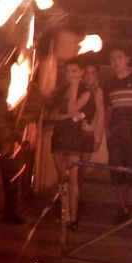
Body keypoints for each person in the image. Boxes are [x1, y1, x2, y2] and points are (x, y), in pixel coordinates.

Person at [99, 48, 132, 221]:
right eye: (112, 58)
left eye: (119, 57)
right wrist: (106, 129)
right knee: (117, 173)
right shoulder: (109, 83)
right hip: (116, 136)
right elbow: (109, 108)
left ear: (127, 59)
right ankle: (123, 209)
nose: (115, 61)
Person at [47, 61, 97, 227]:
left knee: (73, 178)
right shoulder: (60, 91)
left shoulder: (86, 92)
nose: (71, 74)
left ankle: (73, 217)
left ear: (81, 73)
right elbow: (52, 115)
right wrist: (71, 116)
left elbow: (71, 108)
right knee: (62, 178)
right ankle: (65, 214)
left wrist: (75, 87)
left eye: (75, 71)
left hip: (74, 139)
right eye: (68, 71)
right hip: (59, 137)